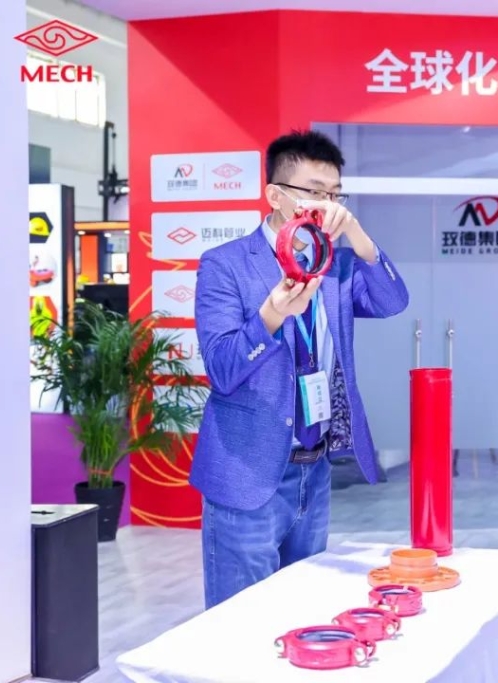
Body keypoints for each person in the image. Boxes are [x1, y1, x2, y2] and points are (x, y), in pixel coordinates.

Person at [191, 130, 409, 609]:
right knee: (240, 618)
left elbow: (392, 301)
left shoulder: (335, 265)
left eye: (335, 195)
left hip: (315, 470)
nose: (326, 205)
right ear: (276, 195)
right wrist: (271, 315)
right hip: (248, 472)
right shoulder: (226, 264)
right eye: (314, 192)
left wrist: (357, 235)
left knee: (301, 613)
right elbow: (222, 369)